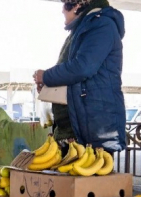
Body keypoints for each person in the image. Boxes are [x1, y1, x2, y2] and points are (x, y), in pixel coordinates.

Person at [33, 0, 126, 154]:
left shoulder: (102, 25)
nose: (62, 11)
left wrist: (47, 76)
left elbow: (83, 67)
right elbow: (73, 72)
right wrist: (48, 84)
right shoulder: (82, 30)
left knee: (91, 177)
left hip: (92, 129)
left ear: (77, 5)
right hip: (75, 126)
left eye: (64, 5)